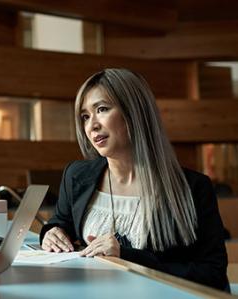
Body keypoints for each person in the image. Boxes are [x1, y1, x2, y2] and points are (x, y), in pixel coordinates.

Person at [40, 68, 229, 291]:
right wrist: (51, 233)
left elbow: (212, 274)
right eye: (85, 116)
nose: (92, 125)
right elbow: (61, 222)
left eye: (102, 109)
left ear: (134, 112)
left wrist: (128, 256)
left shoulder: (194, 188)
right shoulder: (77, 175)